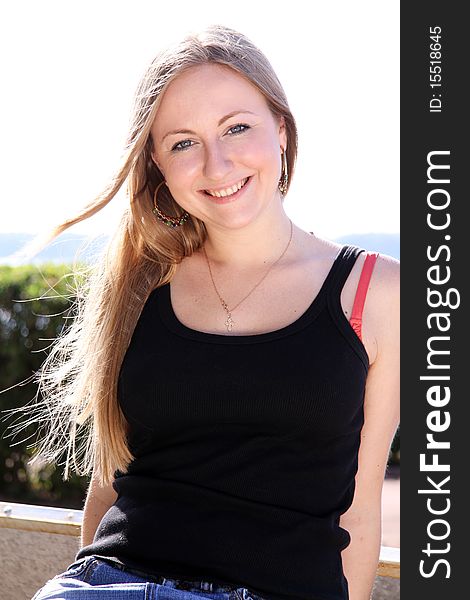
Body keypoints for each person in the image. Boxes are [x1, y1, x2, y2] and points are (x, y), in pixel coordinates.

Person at [24, 23, 399, 600]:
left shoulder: (378, 293)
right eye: (182, 142)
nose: (217, 165)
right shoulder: (140, 283)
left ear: (281, 126)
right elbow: (109, 482)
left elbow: (361, 501)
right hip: (111, 584)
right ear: (156, 163)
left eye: (237, 128)